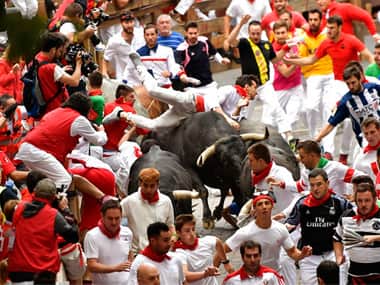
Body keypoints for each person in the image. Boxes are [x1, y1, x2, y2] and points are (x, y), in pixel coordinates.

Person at [103, 52, 240, 130]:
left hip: (186, 114)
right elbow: (215, 107)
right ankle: (140, 66)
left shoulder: (236, 107)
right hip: (190, 101)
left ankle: (120, 114)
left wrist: (232, 119)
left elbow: (230, 116)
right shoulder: (227, 91)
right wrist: (228, 120)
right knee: (153, 91)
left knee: (154, 125)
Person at [15, 92, 108, 200]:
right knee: (64, 179)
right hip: (37, 151)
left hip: (28, 148)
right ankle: (49, 207)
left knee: (52, 180)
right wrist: (102, 131)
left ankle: (40, 205)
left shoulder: (55, 112)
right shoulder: (79, 119)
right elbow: (99, 140)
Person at [224, 16, 295, 144]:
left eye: (258, 33)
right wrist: (240, 23)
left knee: (276, 109)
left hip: (265, 85)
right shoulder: (245, 43)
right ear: (249, 33)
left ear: (261, 32)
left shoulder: (266, 45)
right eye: (253, 33)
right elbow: (230, 41)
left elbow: (275, 60)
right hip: (249, 87)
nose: (255, 36)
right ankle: (239, 139)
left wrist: (285, 49)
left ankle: (290, 138)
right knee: (245, 114)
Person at [224, 192, 312, 284]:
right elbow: (222, 249)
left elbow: (292, 252)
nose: (264, 207)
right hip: (254, 279)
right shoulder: (245, 232)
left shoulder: (280, 229)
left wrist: (302, 254)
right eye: (260, 204)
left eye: (267, 203)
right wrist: (226, 264)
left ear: (272, 206)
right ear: (254, 209)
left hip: (275, 276)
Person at [285, 168, 352, 284]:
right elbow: (289, 225)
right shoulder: (302, 204)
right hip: (310, 256)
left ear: (327, 183)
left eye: (319, 184)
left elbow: (357, 218)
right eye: (312, 185)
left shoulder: (340, 203)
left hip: (333, 253)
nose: (315, 189)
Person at [7, 178, 79, 283]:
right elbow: (74, 236)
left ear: (35, 192)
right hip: (43, 274)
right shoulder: (53, 215)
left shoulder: (19, 208)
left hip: (18, 272)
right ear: (54, 197)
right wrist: (65, 210)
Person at [298, 9, 335, 160]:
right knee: (310, 107)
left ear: (321, 20)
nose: (313, 22)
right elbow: (302, 59)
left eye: (315, 19)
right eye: (310, 19)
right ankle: (315, 140)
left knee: (329, 110)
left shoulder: (327, 34)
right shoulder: (303, 38)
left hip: (330, 74)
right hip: (313, 76)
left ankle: (329, 150)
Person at [315, 65, 380, 149]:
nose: (351, 87)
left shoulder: (373, 88)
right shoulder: (346, 102)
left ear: (360, 78)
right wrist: (318, 138)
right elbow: (331, 124)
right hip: (365, 140)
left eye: (353, 82)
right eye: (348, 84)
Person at [333, 182, 380, 284]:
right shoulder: (347, 216)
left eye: (367, 200)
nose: (363, 204)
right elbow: (337, 238)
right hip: (355, 275)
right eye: (360, 201)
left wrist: (376, 238)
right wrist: (339, 256)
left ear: (375, 200)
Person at [120, 168, 175, 254]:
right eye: (145, 185)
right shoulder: (130, 201)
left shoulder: (166, 201)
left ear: (157, 184)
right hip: (138, 254)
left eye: (152, 186)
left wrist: (173, 238)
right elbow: (114, 218)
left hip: (161, 253)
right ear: (140, 183)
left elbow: (170, 225)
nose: (148, 190)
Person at [172, 214, 233, 284]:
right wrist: (205, 274)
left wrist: (226, 262)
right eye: (187, 231)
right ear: (179, 233)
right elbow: (185, 275)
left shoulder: (205, 241)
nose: (192, 233)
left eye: (193, 229)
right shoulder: (179, 253)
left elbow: (218, 242)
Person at [84, 199, 133, 285]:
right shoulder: (92, 235)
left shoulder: (127, 232)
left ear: (121, 216)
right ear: (102, 216)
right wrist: (115, 268)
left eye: (117, 218)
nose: (114, 222)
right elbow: (92, 265)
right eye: (110, 218)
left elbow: (129, 253)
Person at [34, 32, 82, 117]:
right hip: (57, 109)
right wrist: (79, 64)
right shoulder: (51, 67)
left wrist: (60, 71)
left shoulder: (37, 58)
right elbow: (75, 81)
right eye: (60, 51)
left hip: (47, 109)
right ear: (53, 50)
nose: (62, 54)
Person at [175, 22, 230, 92]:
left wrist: (221, 60)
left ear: (198, 32)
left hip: (209, 84)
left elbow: (214, 52)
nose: (193, 36)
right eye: (190, 33)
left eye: (195, 33)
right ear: (186, 33)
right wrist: (182, 75)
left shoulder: (204, 41)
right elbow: (177, 65)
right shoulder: (181, 48)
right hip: (192, 87)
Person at [296, 140, 363, 197]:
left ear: (312, 156)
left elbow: (363, 178)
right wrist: (285, 185)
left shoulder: (335, 168)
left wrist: (356, 195)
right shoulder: (305, 171)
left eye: (302, 157)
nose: (301, 161)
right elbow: (300, 187)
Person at [136, 24, 193, 88]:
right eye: (147, 35)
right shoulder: (138, 53)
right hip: (148, 88)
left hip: (165, 86)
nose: (150, 37)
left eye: (152, 34)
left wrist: (170, 74)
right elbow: (133, 70)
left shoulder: (167, 50)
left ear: (157, 35)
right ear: (144, 36)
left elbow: (173, 67)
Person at [271, 20, 303, 127]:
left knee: (292, 118)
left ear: (287, 32)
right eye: (278, 33)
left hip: (296, 87)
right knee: (275, 122)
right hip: (280, 89)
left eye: (283, 32)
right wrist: (297, 62)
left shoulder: (293, 43)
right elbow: (286, 73)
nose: (281, 36)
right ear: (274, 34)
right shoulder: (273, 50)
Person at [103, 11, 144, 81]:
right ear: (121, 23)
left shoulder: (141, 34)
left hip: (141, 77)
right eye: (126, 23)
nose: (129, 25)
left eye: (131, 22)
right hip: (124, 78)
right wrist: (105, 75)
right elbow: (106, 58)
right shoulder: (115, 40)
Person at [0, 94, 25, 160]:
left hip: (17, 157)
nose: (14, 109)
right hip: (2, 157)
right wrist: (5, 115)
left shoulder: (18, 111)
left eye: (15, 106)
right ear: (1, 108)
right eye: (12, 107)